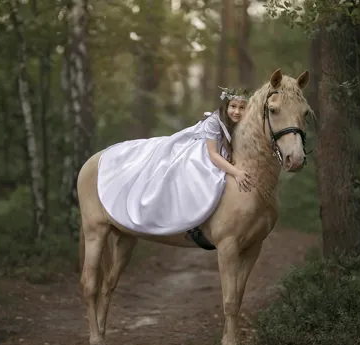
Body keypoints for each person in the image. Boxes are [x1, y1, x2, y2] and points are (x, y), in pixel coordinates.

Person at [96, 87, 251, 236]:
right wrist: (236, 172)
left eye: (242, 108)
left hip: (221, 149)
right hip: (203, 147)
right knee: (197, 172)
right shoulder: (215, 121)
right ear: (226, 106)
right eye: (233, 106)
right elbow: (213, 154)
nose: (237, 111)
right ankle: (190, 220)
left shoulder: (243, 123)